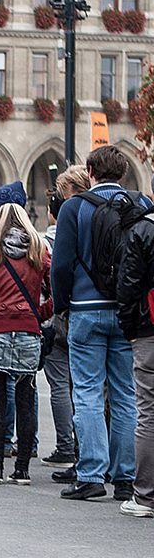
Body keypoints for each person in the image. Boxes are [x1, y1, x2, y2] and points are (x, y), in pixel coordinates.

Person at [51, 145, 147, 501]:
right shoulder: (140, 206)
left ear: (90, 171)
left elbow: (61, 265)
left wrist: (62, 307)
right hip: (127, 309)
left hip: (86, 306)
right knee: (125, 394)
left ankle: (91, 474)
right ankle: (125, 477)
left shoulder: (75, 208)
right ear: (122, 172)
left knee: (88, 392)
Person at [0, 203, 52, 484]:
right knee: (25, 402)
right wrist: (40, 313)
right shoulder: (39, 250)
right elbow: (56, 289)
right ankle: (22, 470)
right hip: (29, 331)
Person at [41, 166, 89, 472]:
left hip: (73, 312)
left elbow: (57, 271)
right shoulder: (110, 215)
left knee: (68, 386)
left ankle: (71, 449)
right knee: (108, 390)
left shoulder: (62, 228)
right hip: (109, 309)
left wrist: (58, 307)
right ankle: (111, 460)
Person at [116, 179, 154, 517]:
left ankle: (145, 495)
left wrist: (129, 327)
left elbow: (128, 285)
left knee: (148, 411)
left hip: (149, 330)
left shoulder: (143, 229)